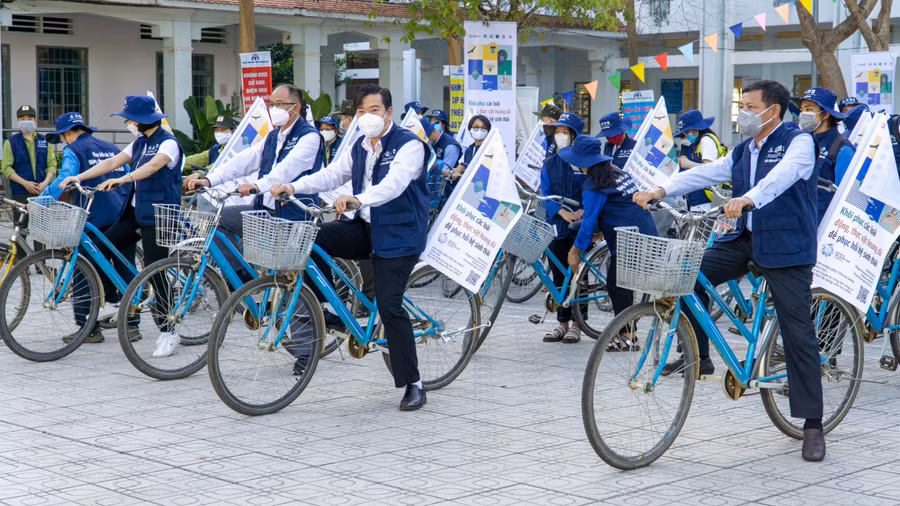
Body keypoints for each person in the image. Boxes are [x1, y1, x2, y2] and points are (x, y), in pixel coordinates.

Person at [633, 80, 826, 462]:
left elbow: (782, 177)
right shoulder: (743, 149)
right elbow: (707, 173)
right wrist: (661, 189)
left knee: (797, 330)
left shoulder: (798, 143)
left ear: (773, 110)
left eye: (751, 106)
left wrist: (749, 198)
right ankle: (701, 356)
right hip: (745, 239)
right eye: (743, 105)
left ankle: (813, 424)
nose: (745, 113)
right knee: (685, 274)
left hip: (787, 247)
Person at [269, 84, 430, 411]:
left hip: (399, 236)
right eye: (360, 112)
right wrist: (293, 185)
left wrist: (359, 198)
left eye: (373, 111)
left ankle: (413, 383)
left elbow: (393, 185)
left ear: (388, 112)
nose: (366, 117)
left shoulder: (409, 146)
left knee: (390, 307)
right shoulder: (359, 146)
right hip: (367, 228)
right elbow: (330, 175)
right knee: (312, 238)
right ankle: (331, 308)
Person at [58, 95, 184, 358]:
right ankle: (117, 301)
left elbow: (153, 166)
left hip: (160, 216)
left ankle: (168, 331)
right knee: (100, 249)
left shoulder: (168, 143)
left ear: (141, 119)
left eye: (129, 118)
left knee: (155, 271)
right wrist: (77, 176)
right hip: (135, 212)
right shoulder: (139, 142)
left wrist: (124, 178)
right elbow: (111, 163)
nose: (127, 122)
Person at [187, 84, 324, 283]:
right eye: (272, 104)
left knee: (287, 280)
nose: (274, 109)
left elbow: (287, 169)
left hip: (292, 213)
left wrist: (257, 186)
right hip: (264, 210)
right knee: (214, 218)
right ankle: (241, 276)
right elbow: (243, 160)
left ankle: (301, 311)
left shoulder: (310, 137)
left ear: (296, 107)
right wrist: (209, 179)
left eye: (280, 104)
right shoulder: (273, 136)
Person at [41, 112, 137, 343]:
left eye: (61, 136)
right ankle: (132, 325)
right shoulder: (111, 147)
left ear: (66, 133)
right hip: (123, 214)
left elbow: (66, 177)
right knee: (126, 267)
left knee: (82, 267)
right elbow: (125, 174)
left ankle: (88, 328)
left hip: (96, 218)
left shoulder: (73, 150)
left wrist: (42, 200)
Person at [561, 135, 657, 350]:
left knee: (617, 287)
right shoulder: (618, 173)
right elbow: (619, 208)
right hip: (646, 233)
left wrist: (575, 251)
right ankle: (628, 334)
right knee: (622, 285)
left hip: (628, 240)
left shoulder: (594, 185)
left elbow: (588, 223)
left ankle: (628, 337)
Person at [539, 112, 587, 343]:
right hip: (557, 224)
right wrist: (561, 212)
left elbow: (592, 189)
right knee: (558, 274)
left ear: (574, 135)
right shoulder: (549, 163)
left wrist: (585, 210)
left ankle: (578, 324)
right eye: (557, 132)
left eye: (565, 132)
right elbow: (546, 194)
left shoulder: (584, 161)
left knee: (579, 274)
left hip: (580, 226)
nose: (560, 136)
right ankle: (562, 323)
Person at [1, 105, 58, 257]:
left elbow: (52, 164)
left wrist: (46, 183)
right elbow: (6, 168)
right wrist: (24, 183)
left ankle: (41, 263)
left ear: (35, 120)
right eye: (22, 118)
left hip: (41, 192)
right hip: (20, 191)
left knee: (40, 228)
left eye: (29, 118)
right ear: (18, 121)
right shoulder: (11, 142)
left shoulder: (44, 141)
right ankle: (21, 264)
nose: (26, 121)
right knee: (21, 228)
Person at [793, 87, 855, 222]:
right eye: (802, 110)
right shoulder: (798, 142)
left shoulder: (842, 148)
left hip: (822, 222)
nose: (803, 114)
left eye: (809, 109)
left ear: (825, 114)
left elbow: (844, 195)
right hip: (796, 219)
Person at [674, 110, 727, 211]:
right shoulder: (696, 144)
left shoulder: (706, 140)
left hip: (707, 198)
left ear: (696, 129)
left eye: (685, 134)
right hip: (699, 196)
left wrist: (688, 164)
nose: (684, 138)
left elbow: (711, 169)